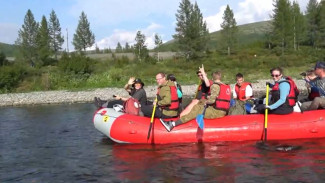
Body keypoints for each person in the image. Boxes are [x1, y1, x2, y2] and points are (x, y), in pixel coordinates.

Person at [160, 70, 231, 132]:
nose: (200, 76)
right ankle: (178, 120)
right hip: (220, 110)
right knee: (199, 105)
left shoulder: (215, 86)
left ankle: (173, 124)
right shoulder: (224, 86)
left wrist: (207, 101)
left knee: (196, 110)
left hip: (217, 112)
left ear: (212, 78)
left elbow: (212, 100)